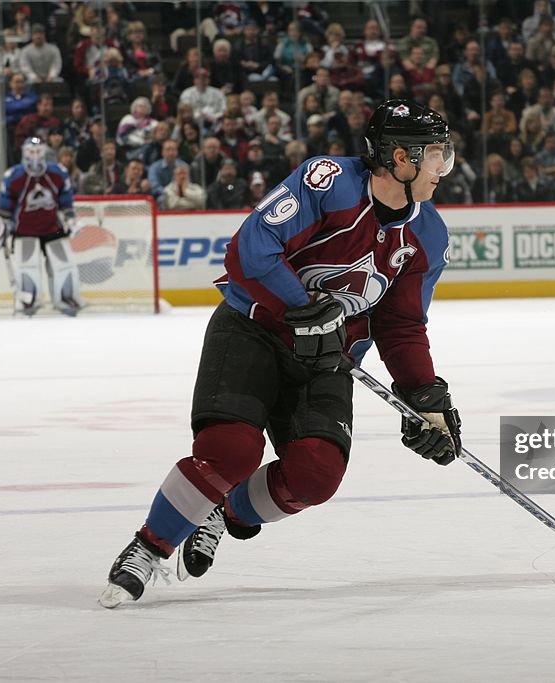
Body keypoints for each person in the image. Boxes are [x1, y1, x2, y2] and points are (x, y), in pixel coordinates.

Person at [99, 99, 462, 608]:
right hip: (254, 331)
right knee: (230, 453)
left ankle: (224, 510)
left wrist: (425, 395)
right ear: (400, 158)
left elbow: (400, 324)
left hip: (327, 359)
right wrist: (302, 307)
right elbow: (250, 248)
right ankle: (150, 546)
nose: (442, 169)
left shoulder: (428, 234)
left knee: (314, 476)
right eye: (435, 155)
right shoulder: (327, 181)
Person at [0, 137, 84, 317]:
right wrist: (2, 224)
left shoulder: (58, 172)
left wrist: (70, 219)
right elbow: (5, 206)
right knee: (27, 266)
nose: (35, 156)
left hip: (53, 227)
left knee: (64, 265)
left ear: (45, 152)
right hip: (25, 230)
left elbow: (65, 201)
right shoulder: (14, 176)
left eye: (38, 151)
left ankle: (66, 298)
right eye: (31, 152)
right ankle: (29, 300)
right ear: (24, 153)